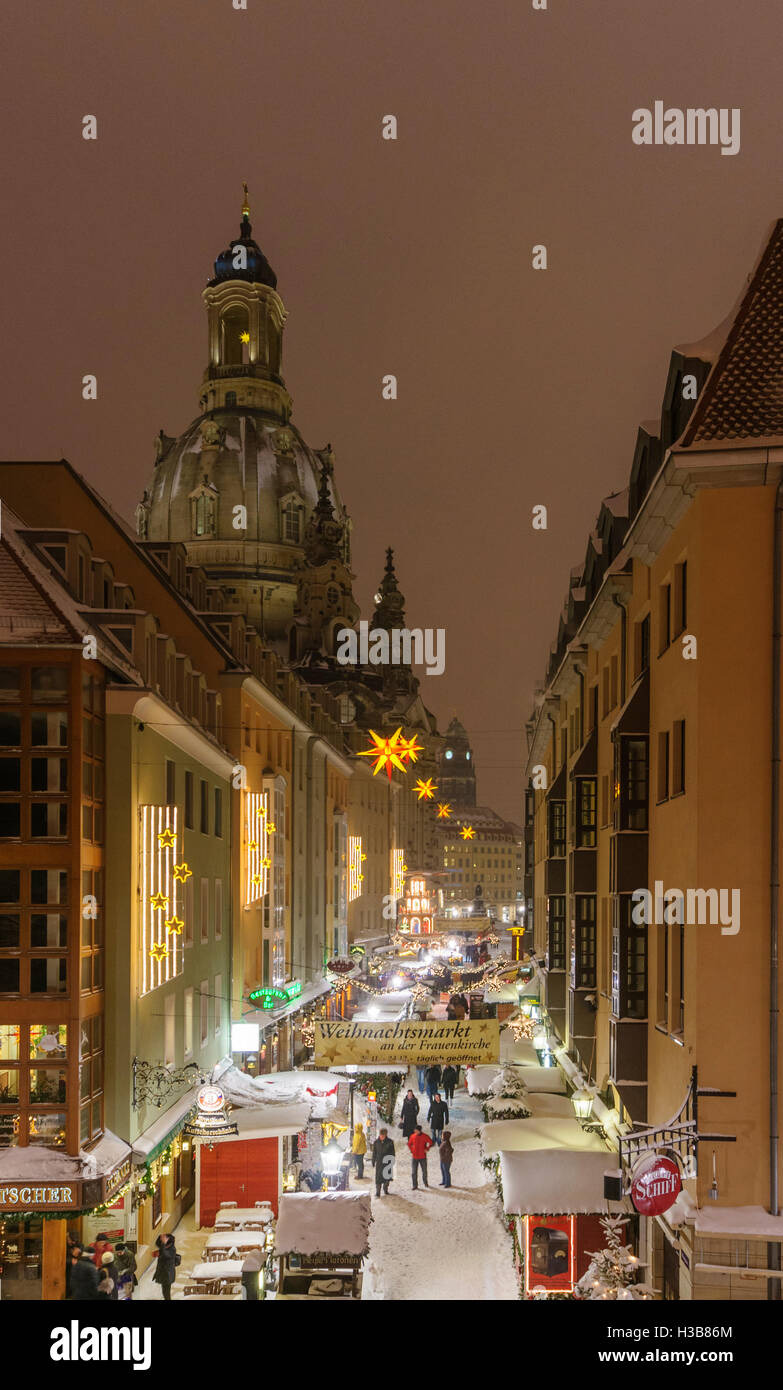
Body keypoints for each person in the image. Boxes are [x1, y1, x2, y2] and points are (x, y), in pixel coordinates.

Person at [153, 1232, 179, 1300]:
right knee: (164, 1291)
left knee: (166, 1292)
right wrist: (161, 1238)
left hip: (168, 1274)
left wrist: (163, 1243)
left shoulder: (172, 1249)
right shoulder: (165, 1248)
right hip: (164, 1274)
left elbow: (165, 1255)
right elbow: (157, 1243)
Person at [371, 1128, 396, 1197]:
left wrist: (392, 1161)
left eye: (383, 1135)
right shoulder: (376, 1142)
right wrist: (373, 1160)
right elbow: (374, 1152)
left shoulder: (390, 1142)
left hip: (387, 1162)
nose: (381, 1137)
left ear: (386, 1135)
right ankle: (378, 1192)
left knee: (387, 1178)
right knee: (378, 1178)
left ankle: (385, 1189)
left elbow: (392, 1152)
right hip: (379, 1162)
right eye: (381, 1135)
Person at [407, 1125, 433, 1189]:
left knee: (424, 1171)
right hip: (414, 1157)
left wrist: (427, 1148)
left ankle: (425, 1182)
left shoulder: (425, 1136)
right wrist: (412, 1150)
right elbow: (409, 1144)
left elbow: (431, 1142)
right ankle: (415, 1185)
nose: (414, 1131)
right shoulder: (412, 1136)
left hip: (422, 1157)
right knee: (414, 1172)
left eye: (415, 1130)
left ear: (419, 1130)